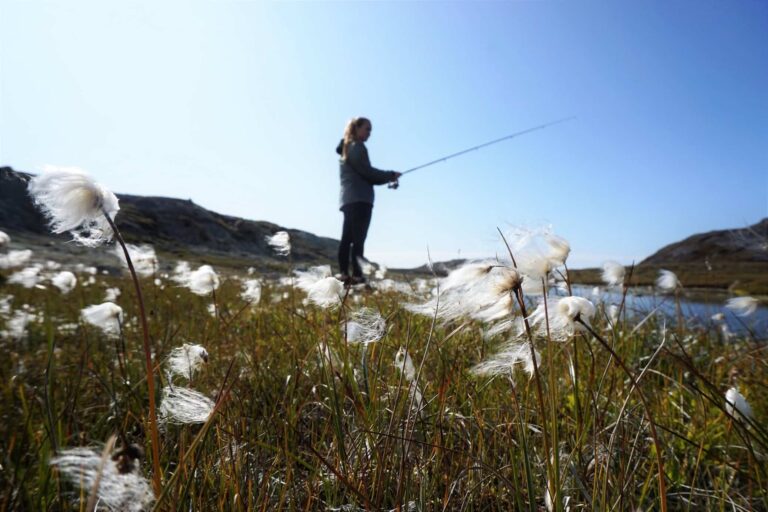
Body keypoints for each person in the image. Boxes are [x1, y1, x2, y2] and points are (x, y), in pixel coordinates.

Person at [336, 117, 401, 285]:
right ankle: (356, 277)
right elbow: (368, 173)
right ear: (356, 128)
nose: (369, 133)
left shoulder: (346, 148)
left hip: (349, 199)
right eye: (367, 129)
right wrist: (390, 175)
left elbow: (365, 173)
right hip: (360, 200)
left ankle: (345, 275)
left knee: (348, 238)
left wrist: (387, 176)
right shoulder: (357, 147)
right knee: (357, 240)